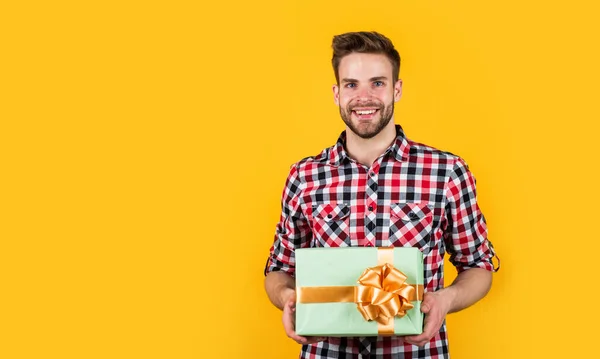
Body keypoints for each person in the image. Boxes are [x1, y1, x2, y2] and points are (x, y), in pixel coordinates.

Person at [264, 31, 499, 359]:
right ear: (336, 93)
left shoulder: (447, 171)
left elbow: (478, 266)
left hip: (416, 353)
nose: (364, 97)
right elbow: (279, 267)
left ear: (396, 89)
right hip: (328, 352)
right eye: (351, 84)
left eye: (377, 83)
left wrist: (444, 300)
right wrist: (288, 298)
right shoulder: (304, 176)